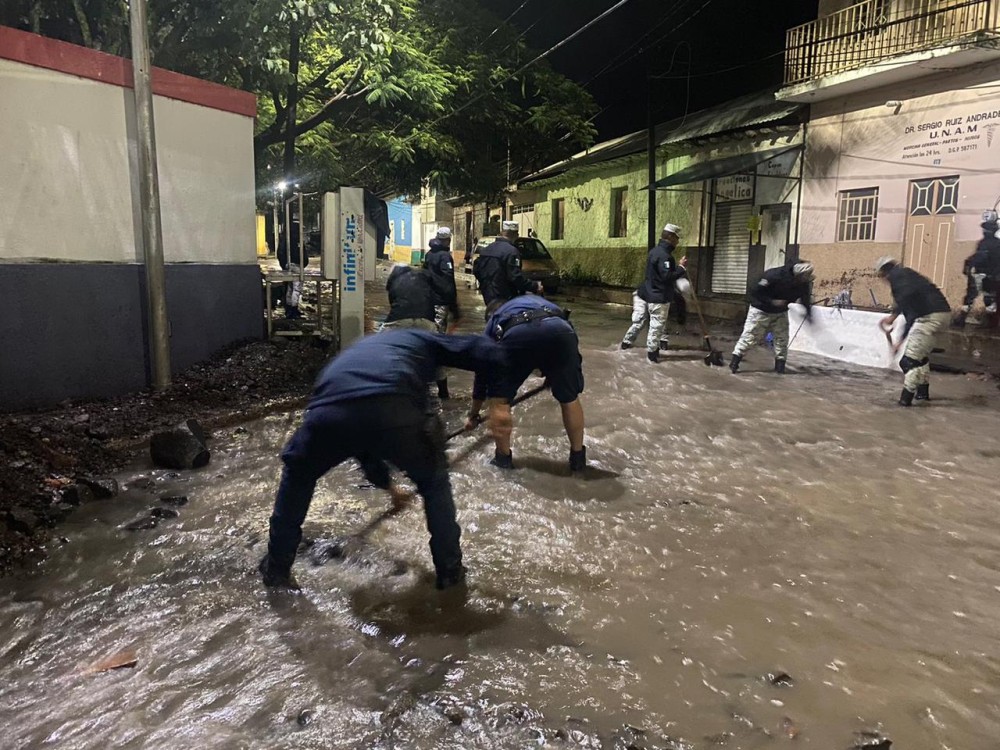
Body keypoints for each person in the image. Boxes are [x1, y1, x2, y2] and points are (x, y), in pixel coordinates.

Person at [259, 329, 508, 591]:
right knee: (434, 485)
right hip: (395, 406)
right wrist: (500, 406)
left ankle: (277, 570)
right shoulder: (421, 339)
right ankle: (450, 574)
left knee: (298, 475)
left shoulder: (352, 353)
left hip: (327, 414)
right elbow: (490, 352)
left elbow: (361, 440)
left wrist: (390, 488)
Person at [465, 295, 586, 472]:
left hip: (519, 333)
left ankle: (503, 460)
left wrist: (473, 414)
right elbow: (569, 351)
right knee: (569, 399)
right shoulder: (535, 301)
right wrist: (557, 376)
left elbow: (483, 374)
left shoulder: (495, 321)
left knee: (499, 401)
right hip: (563, 331)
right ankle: (578, 460)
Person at [875, 256, 951, 406]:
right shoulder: (906, 275)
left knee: (908, 362)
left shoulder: (898, 281)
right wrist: (894, 318)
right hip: (943, 314)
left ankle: (904, 404)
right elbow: (908, 304)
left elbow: (910, 313)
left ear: (884, 274)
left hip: (930, 318)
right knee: (920, 359)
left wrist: (898, 337)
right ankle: (922, 396)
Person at [729, 261, 815, 374]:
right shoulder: (774, 275)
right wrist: (771, 301)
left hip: (780, 312)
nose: (807, 279)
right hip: (760, 310)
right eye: (805, 276)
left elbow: (805, 299)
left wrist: (808, 314)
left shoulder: (803, 283)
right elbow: (755, 291)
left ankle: (780, 368)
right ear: (798, 275)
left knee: (782, 340)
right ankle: (735, 362)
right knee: (750, 337)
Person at [620, 223, 687, 363]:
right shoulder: (665, 256)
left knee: (645, 324)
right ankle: (652, 357)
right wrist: (681, 268)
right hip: (658, 296)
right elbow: (666, 276)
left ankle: (625, 346)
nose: (678, 241)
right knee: (656, 327)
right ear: (670, 237)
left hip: (648, 293)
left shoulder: (654, 251)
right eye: (676, 238)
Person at [473, 221, 542, 317]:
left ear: (502, 232)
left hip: (488, 296)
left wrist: (486, 284)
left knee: (492, 322)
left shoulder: (487, 249)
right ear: (515, 234)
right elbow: (515, 277)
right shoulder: (511, 251)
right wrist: (534, 287)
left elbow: (476, 269)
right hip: (505, 298)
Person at [423, 227, 462, 399]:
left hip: (428, 301)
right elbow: (448, 283)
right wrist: (454, 306)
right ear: (448, 240)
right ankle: (442, 390)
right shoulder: (445, 256)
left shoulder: (430, 254)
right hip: (440, 303)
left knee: (430, 335)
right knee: (438, 341)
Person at [954, 220, 1000, 327]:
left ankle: (963, 319)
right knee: (987, 298)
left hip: (984, 275)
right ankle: (990, 322)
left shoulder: (988, 244)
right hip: (987, 275)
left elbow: (981, 257)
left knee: (974, 297)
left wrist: (969, 264)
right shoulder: (991, 243)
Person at [277, 221, 305, 319]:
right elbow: (302, 254)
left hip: (288, 265)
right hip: (297, 265)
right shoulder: (297, 239)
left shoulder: (285, 238)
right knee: (297, 288)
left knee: (290, 288)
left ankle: (289, 309)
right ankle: (294, 310)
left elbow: (280, 252)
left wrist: (284, 265)